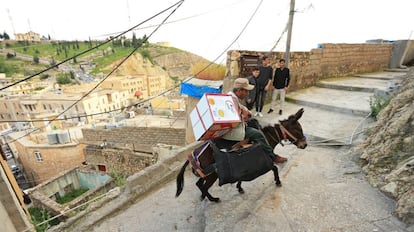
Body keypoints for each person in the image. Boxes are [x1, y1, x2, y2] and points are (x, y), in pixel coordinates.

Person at [223, 78, 287, 163]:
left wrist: (247, 112)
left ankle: (256, 148)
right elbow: (234, 119)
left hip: (236, 126)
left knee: (254, 122)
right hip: (232, 131)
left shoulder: (231, 96)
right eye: (246, 91)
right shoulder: (232, 100)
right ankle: (272, 156)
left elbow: (241, 108)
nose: (248, 93)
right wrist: (244, 118)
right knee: (257, 134)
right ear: (239, 90)